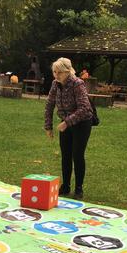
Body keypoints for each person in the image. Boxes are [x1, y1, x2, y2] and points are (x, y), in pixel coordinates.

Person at [44, 57, 94, 200]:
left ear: (68, 71)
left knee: (77, 155)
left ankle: (79, 188)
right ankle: (65, 186)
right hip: (65, 123)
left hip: (82, 123)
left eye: (59, 72)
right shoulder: (55, 84)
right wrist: (48, 126)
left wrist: (66, 122)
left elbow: (85, 108)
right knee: (66, 155)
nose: (56, 75)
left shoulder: (77, 84)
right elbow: (49, 105)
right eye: (54, 72)